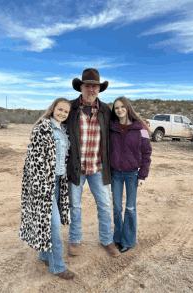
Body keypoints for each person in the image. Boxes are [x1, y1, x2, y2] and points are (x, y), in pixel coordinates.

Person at [65, 68, 121, 258]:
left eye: (94, 86)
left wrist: (140, 125)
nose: (91, 90)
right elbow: (54, 120)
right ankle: (74, 239)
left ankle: (106, 240)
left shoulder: (106, 110)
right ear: (81, 88)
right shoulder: (70, 108)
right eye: (87, 86)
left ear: (99, 89)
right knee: (75, 205)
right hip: (76, 168)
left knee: (105, 205)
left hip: (98, 167)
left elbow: (121, 125)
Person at [19, 98, 75, 280]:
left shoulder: (64, 131)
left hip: (58, 183)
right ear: (53, 109)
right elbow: (32, 161)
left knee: (47, 223)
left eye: (66, 112)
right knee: (54, 225)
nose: (63, 114)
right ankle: (58, 266)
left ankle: (44, 255)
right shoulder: (41, 129)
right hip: (44, 186)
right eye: (60, 110)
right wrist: (40, 187)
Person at [110, 96, 152, 253]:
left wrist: (142, 175)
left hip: (132, 174)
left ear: (128, 108)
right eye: (116, 108)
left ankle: (128, 240)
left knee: (130, 208)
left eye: (122, 107)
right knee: (116, 208)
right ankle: (117, 238)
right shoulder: (112, 127)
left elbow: (147, 152)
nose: (119, 110)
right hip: (116, 174)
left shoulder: (142, 128)